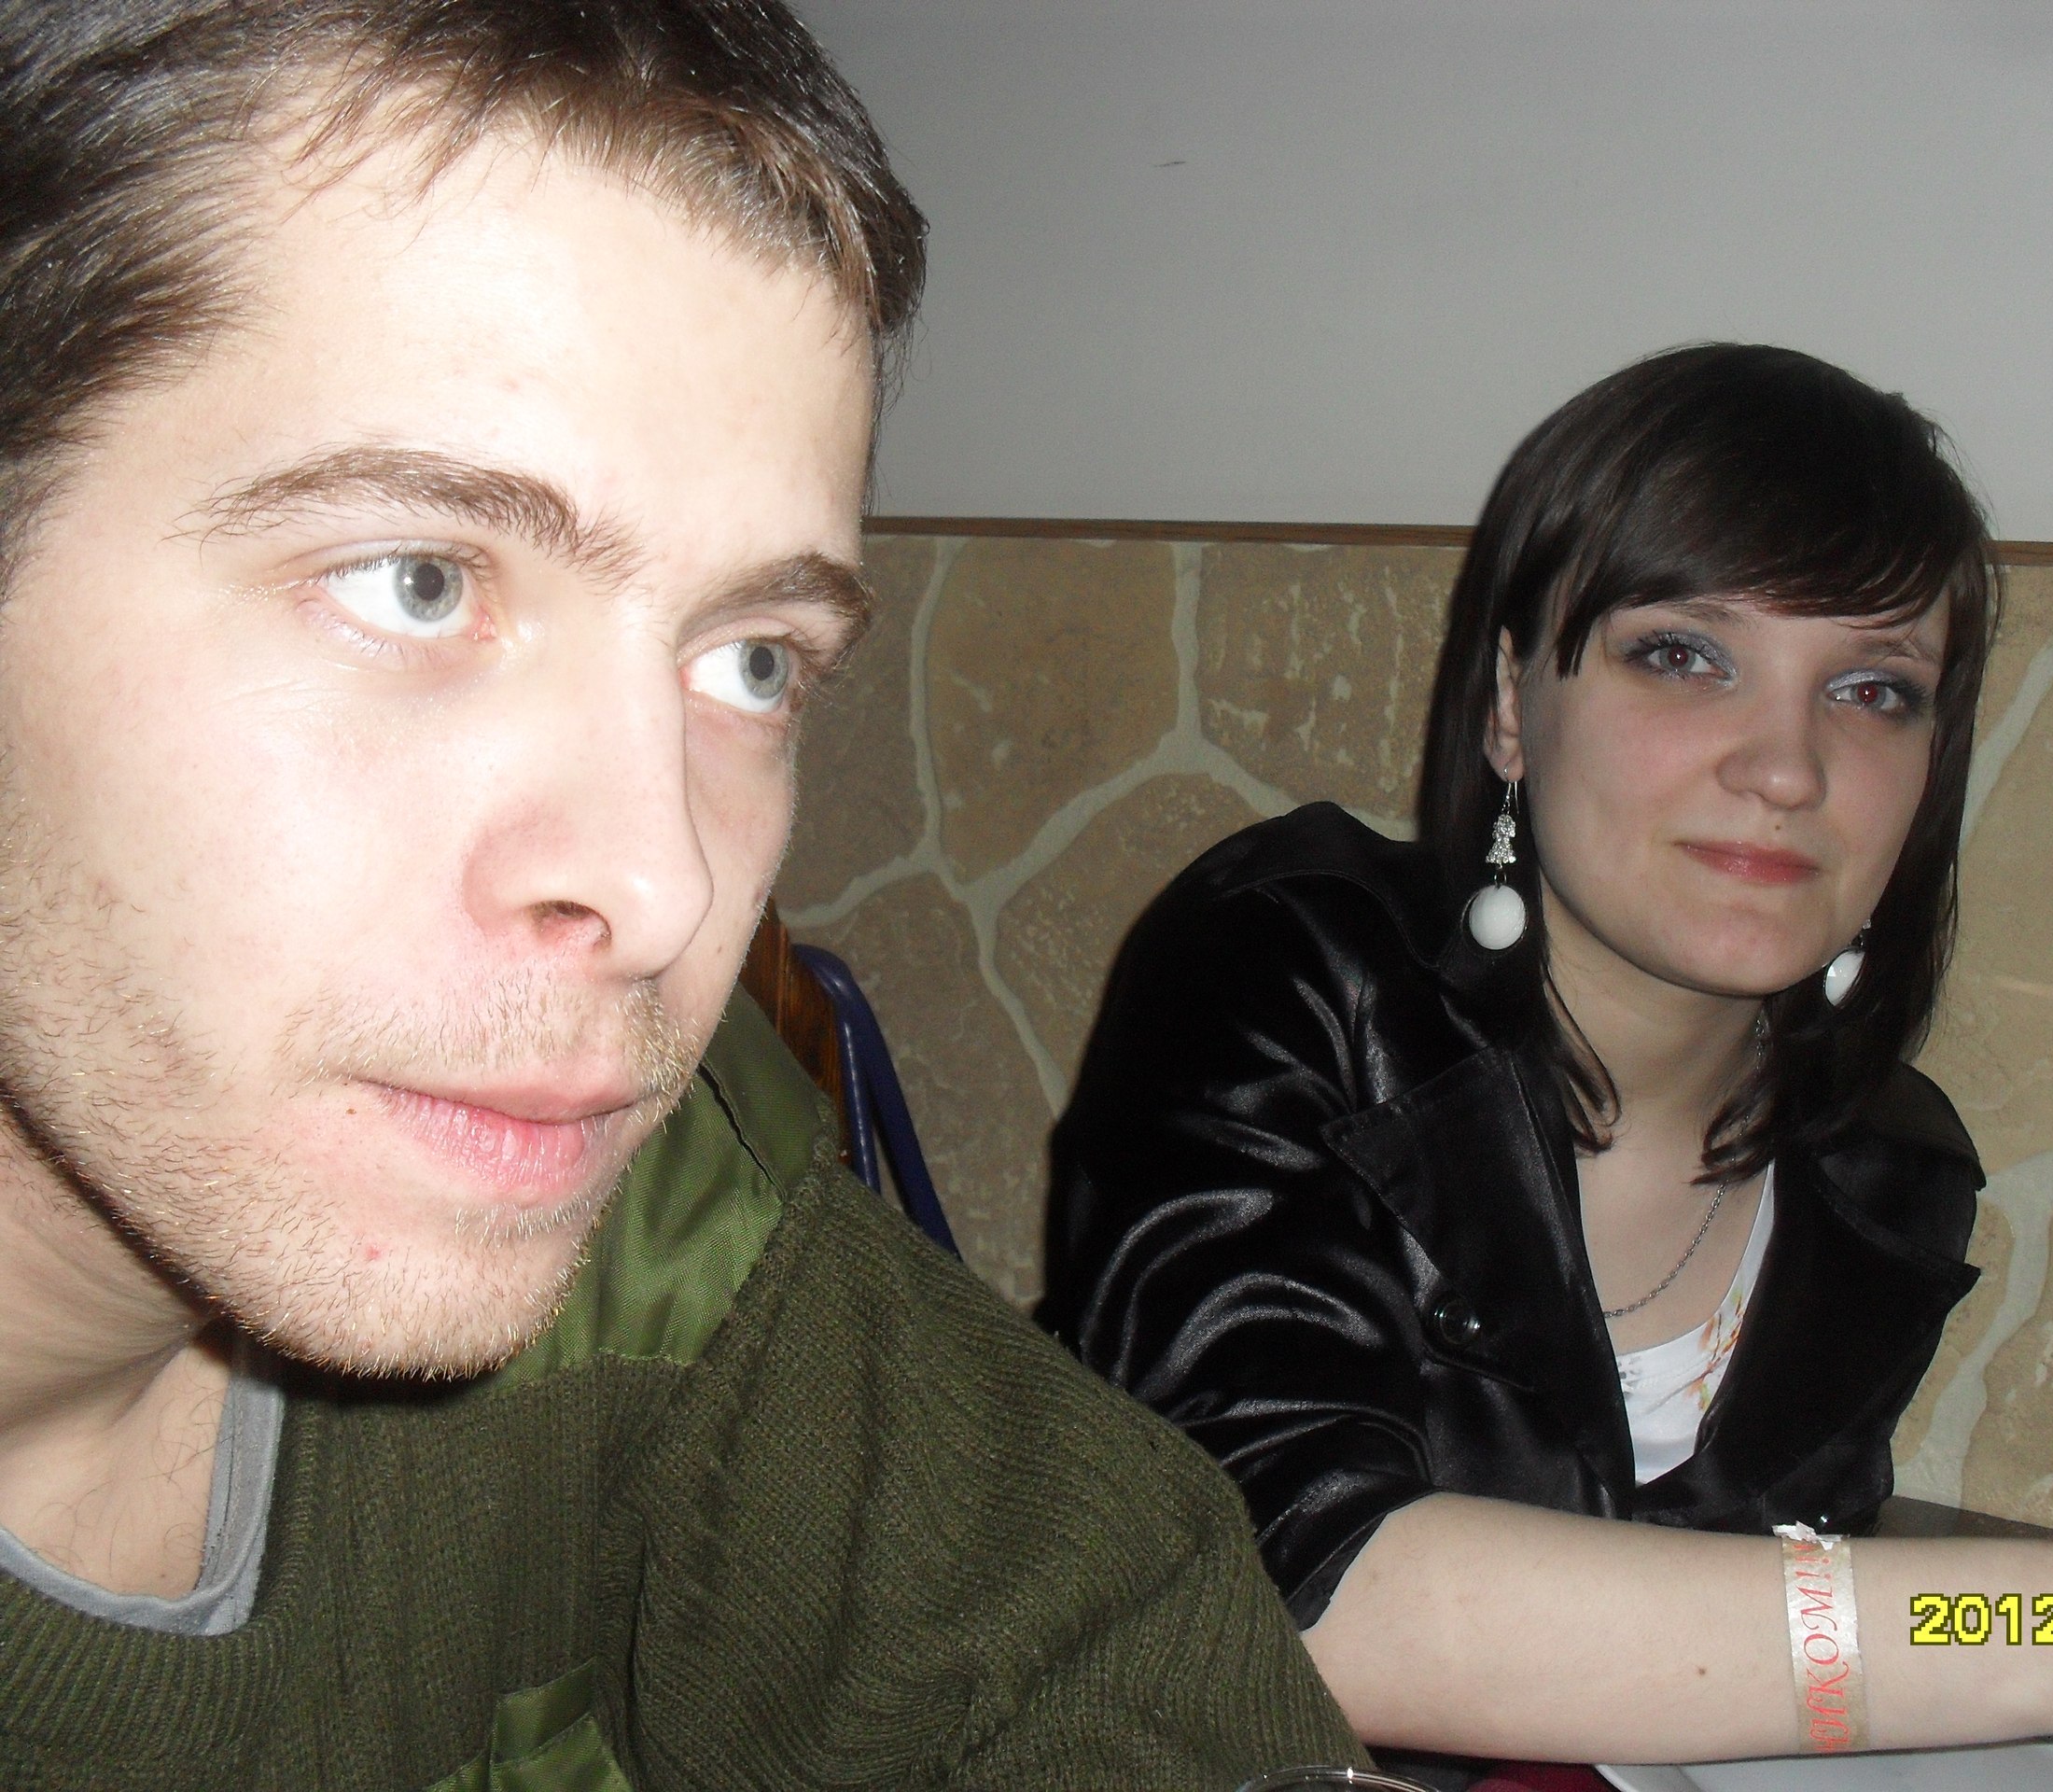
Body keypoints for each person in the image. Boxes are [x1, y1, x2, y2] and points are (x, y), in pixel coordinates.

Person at [0, 4, 1361, 1786]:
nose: (664, 888)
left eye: (751, 661)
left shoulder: (642, 1224)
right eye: (417, 583)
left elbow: (1121, 1663)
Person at [1041, 345, 2053, 1788]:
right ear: (1512, 704)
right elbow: (1275, 1602)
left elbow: (1746, 1674)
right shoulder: (1287, 964)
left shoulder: (1889, 1182)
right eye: (1683, 656)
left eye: (1873, 690)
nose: (1789, 769)